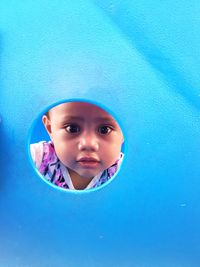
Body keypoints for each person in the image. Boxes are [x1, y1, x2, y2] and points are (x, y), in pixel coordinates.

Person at [30, 101, 124, 190]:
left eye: (104, 129)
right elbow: (17, 155)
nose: (88, 144)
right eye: (72, 129)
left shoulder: (126, 170)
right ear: (50, 128)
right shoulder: (39, 157)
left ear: (124, 132)